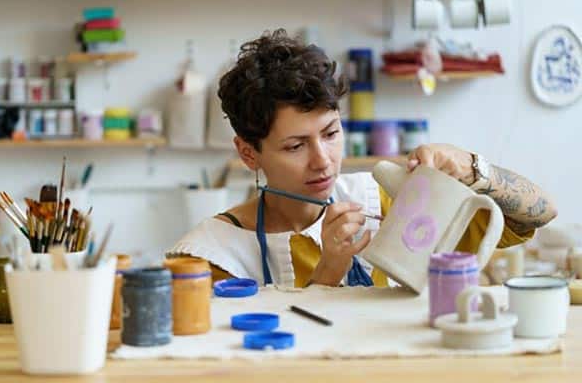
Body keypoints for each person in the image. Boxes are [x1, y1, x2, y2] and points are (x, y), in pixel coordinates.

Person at [166, 29, 557, 288]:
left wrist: (473, 167)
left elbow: (538, 213)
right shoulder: (210, 255)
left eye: (331, 134)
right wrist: (328, 273)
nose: (323, 161)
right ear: (248, 152)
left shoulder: (387, 199)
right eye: (295, 146)